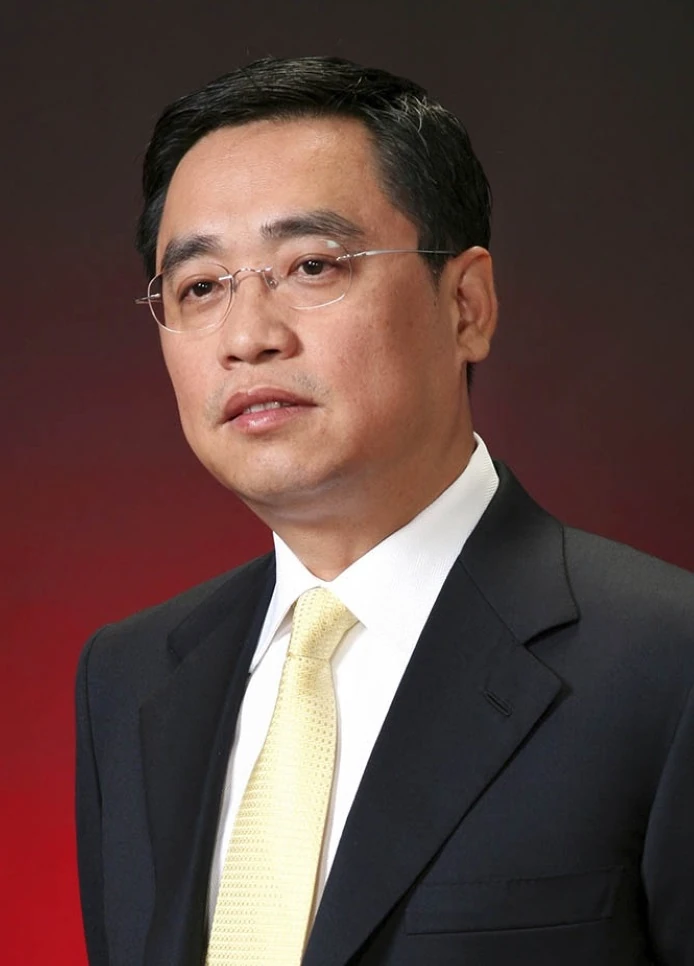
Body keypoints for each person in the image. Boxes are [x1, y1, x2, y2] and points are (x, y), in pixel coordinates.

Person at [75, 56, 694, 966]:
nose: (248, 337)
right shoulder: (127, 678)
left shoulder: (667, 663)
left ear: (467, 306)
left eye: (311, 265)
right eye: (201, 286)